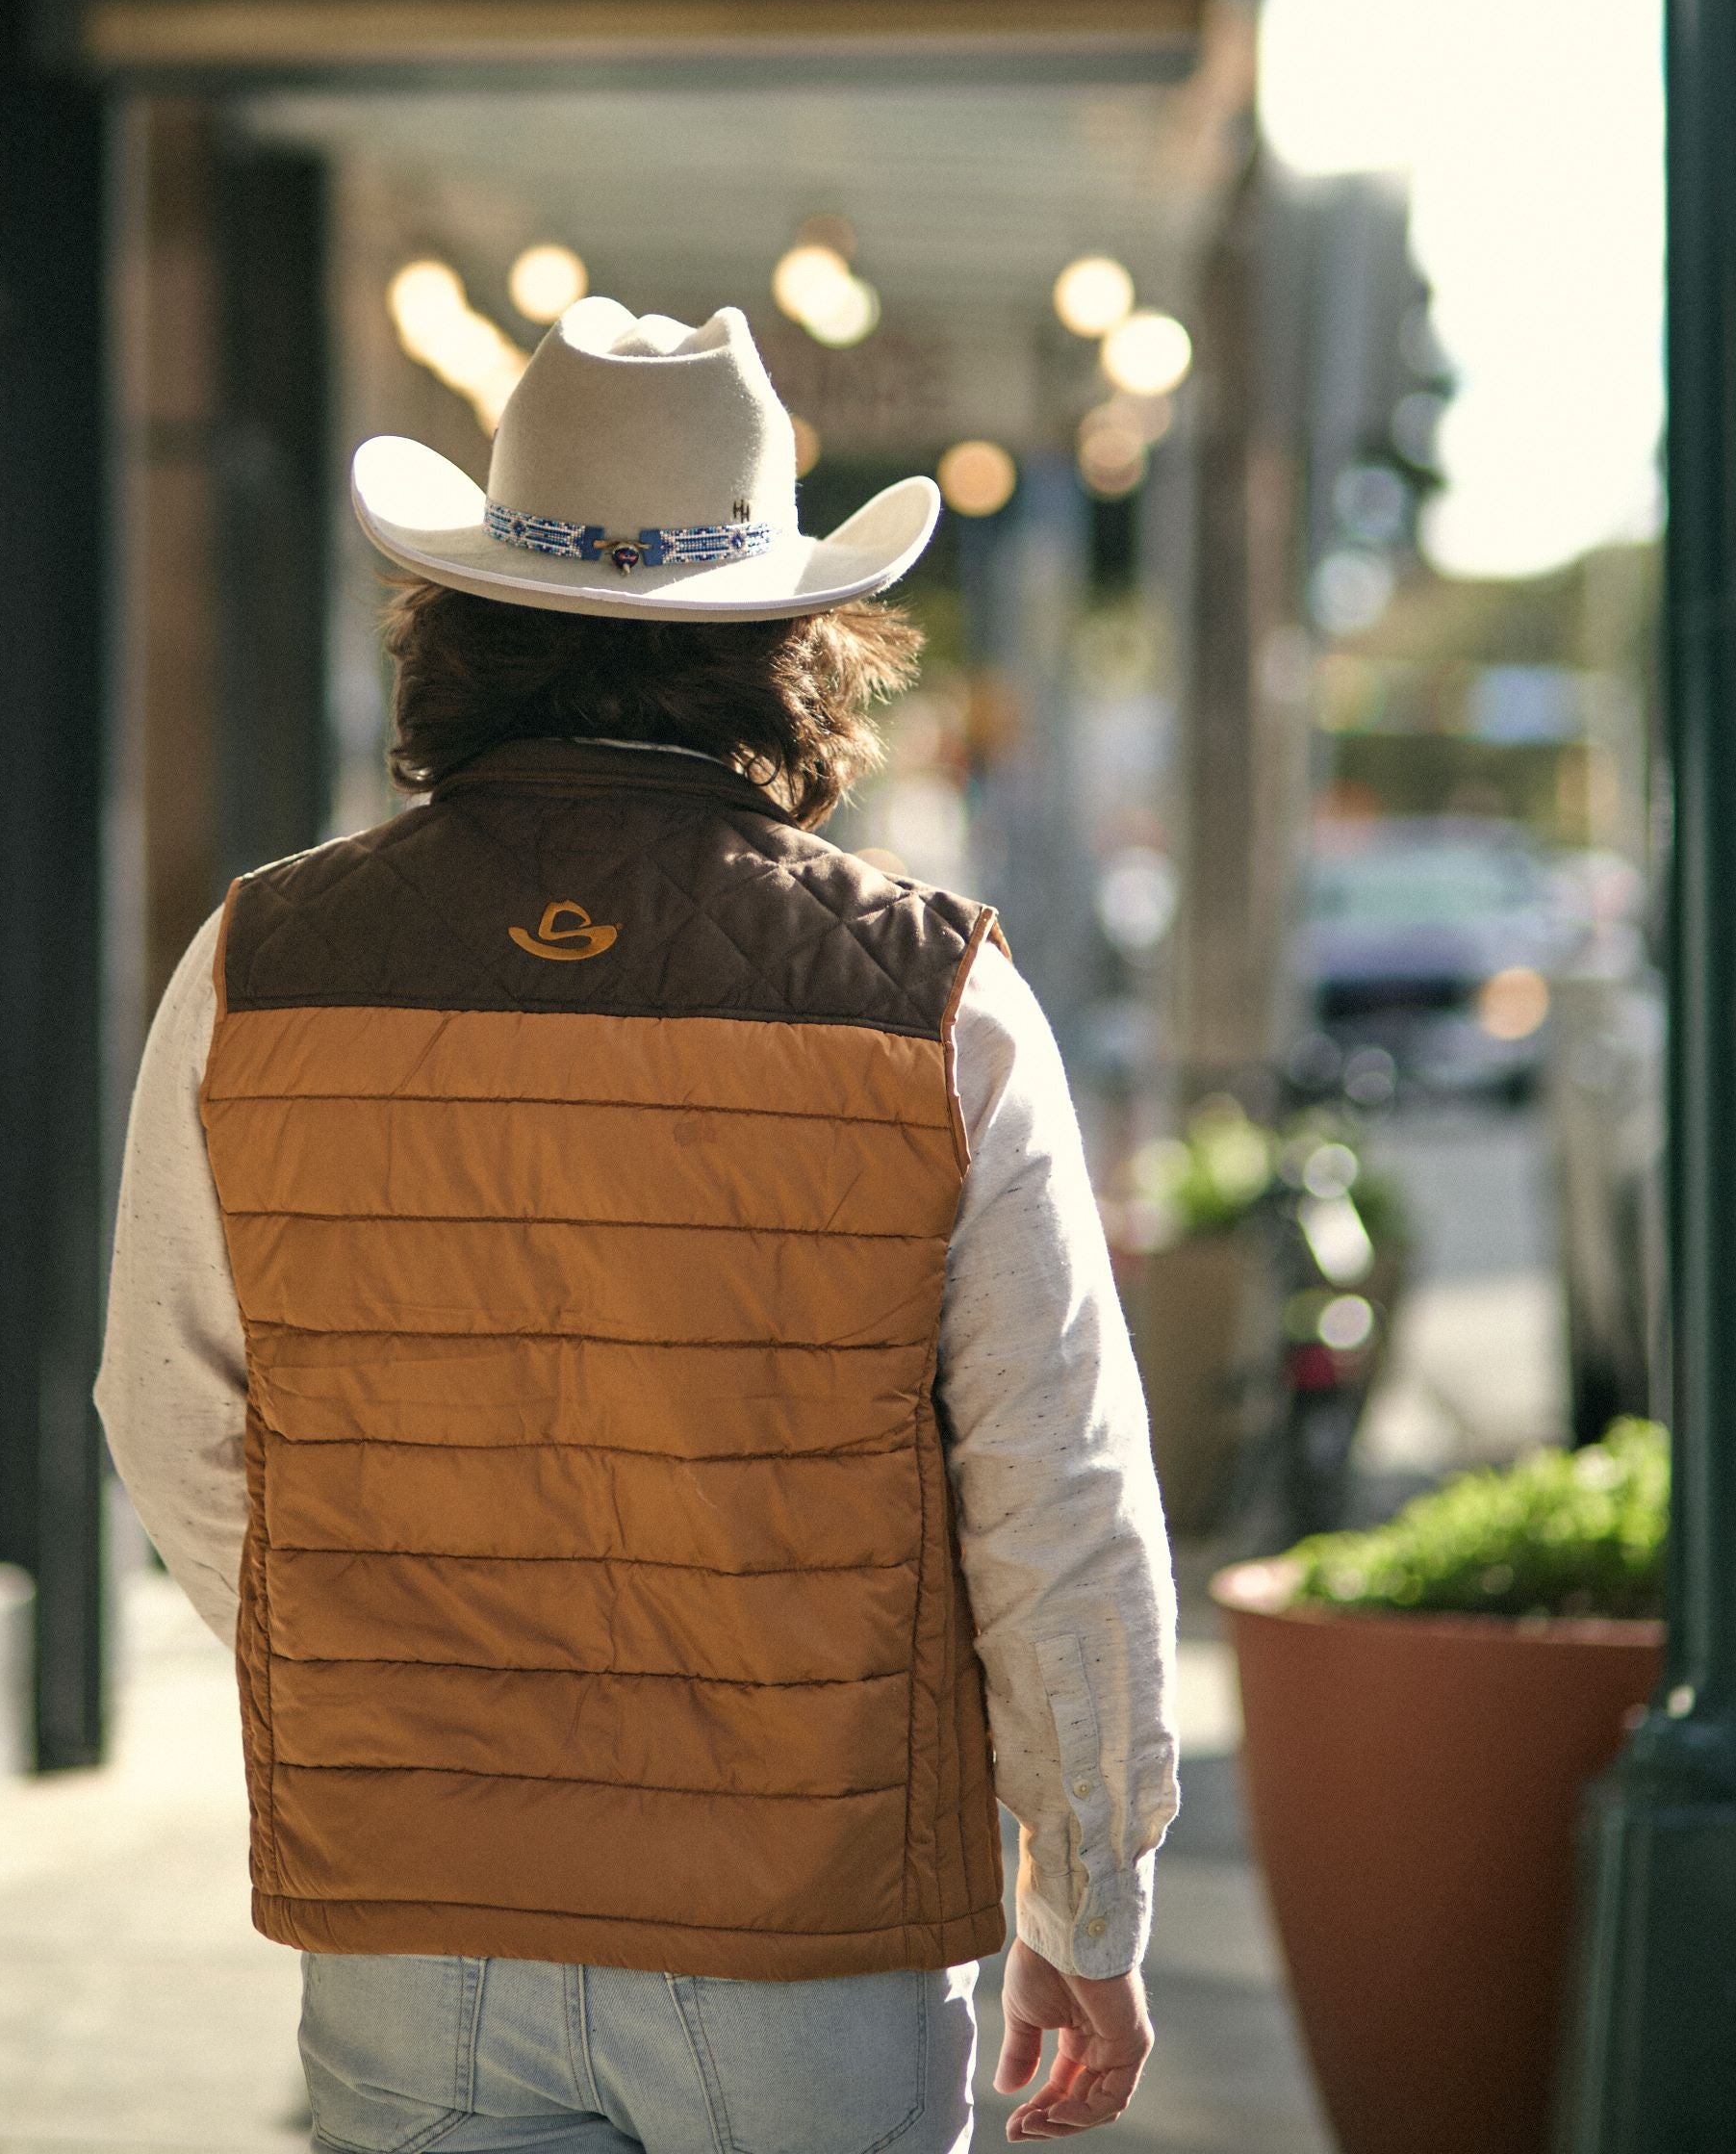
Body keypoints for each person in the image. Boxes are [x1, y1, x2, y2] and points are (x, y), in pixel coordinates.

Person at [97, 298, 1177, 2153]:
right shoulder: (929, 996)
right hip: (806, 1921)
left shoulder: (256, 961)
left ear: (463, 628)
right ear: (790, 647)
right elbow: (1054, 1480)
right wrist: (1089, 1903)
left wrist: (387, 1666)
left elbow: (170, 1414)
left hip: (415, 1905)